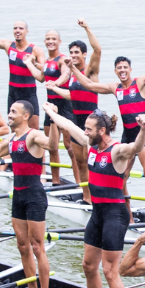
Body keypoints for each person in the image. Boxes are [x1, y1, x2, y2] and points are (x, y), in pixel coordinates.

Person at [42, 104, 145, 288]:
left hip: (115, 215)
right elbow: (68, 125)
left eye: (89, 129)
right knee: (88, 266)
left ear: (102, 131)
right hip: (97, 213)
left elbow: (135, 147)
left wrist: (143, 129)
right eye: (86, 129)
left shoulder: (116, 151)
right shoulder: (91, 145)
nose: (85, 132)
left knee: (110, 271)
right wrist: (51, 112)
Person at [67, 40, 145, 220]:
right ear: (115, 71)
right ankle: (128, 218)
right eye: (119, 68)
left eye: (125, 67)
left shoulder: (141, 82)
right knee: (120, 179)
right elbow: (89, 85)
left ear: (130, 69)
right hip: (127, 135)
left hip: (142, 135)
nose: (122, 70)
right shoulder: (115, 87)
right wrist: (72, 69)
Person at [0, 101, 59, 288]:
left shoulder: (33, 135)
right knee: (22, 246)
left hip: (34, 196)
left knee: (37, 247)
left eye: (14, 112)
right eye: (9, 110)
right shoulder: (13, 137)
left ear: (25, 116)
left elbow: (52, 145)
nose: (9, 114)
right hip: (18, 196)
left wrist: (54, 121)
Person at [44, 19, 101, 203]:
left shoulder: (90, 70)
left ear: (84, 54)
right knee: (81, 162)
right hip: (77, 121)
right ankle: (86, 198)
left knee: (93, 163)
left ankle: (98, 195)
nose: (73, 55)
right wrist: (54, 88)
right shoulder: (72, 73)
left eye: (77, 52)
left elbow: (98, 50)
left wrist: (87, 27)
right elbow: (72, 95)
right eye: (71, 52)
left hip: (93, 121)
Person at [0, 15, 46, 129]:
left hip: (29, 94)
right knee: (15, 130)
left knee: (33, 131)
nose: (18, 31)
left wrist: (34, 63)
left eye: (21, 28)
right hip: (13, 94)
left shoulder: (36, 50)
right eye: (15, 28)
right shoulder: (9, 46)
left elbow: (44, 72)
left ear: (26, 31)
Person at [25, 30, 70, 185]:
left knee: (70, 148)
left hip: (65, 107)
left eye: (54, 39)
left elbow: (66, 74)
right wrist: (29, 64)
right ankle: (56, 182)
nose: (50, 41)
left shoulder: (62, 59)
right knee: (52, 147)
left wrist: (56, 83)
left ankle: (81, 183)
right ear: (45, 42)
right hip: (50, 106)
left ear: (59, 41)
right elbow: (40, 77)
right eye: (48, 39)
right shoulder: (47, 62)